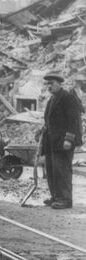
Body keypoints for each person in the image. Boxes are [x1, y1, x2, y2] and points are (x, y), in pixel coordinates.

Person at [41, 73, 82, 209]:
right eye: (47, 84)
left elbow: (74, 121)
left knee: (62, 170)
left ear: (59, 83)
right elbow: (49, 120)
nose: (49, 86)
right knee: (52, 170)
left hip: (63, 142)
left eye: (51, 83)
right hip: (52, 142)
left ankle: (65, 199)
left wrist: (69, 139)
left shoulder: (68, 98)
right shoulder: (52, 99)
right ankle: (56, 197)